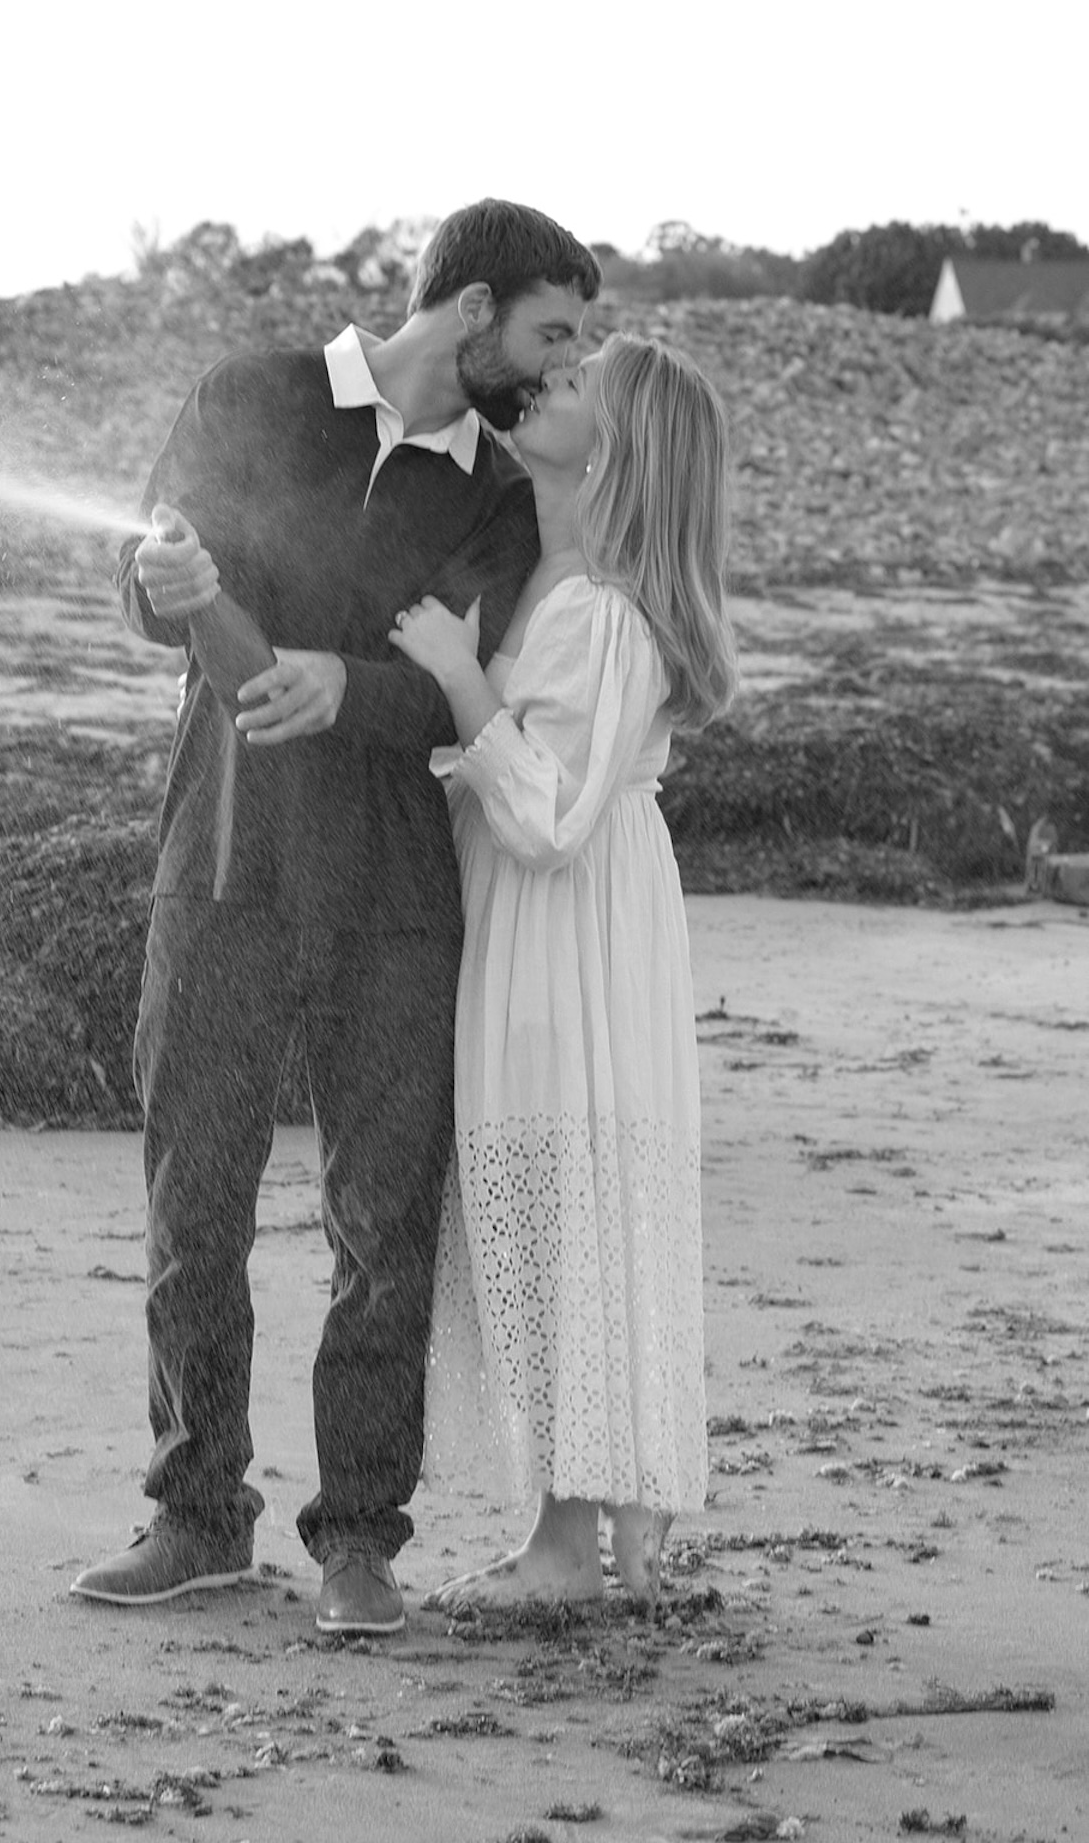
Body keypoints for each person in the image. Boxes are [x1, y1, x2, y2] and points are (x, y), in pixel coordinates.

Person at [70, 201, 602, 1634]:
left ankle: (359, 1539)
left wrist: (343, 686)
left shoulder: (493, 493)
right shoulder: (248, 394)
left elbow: (461, 683)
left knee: (383, 1226)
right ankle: (196, 1517)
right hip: (224, 852)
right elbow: (143, 571)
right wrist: (155, 584)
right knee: (195, 1199)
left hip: (390, 882)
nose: (564, 363)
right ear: (473, 308)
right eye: (552, 330)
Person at [388, 332, 737, 1607]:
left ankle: (561, 1549)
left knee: (557, 1192)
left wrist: (451, 682)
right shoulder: (555, 581)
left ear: (621, 446)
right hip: (564, 915)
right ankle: (617, 1527)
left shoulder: (594, 608)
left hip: (564, 921)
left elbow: (541, 814)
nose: (548, 384)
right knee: (574, 1190)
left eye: (579, 381)